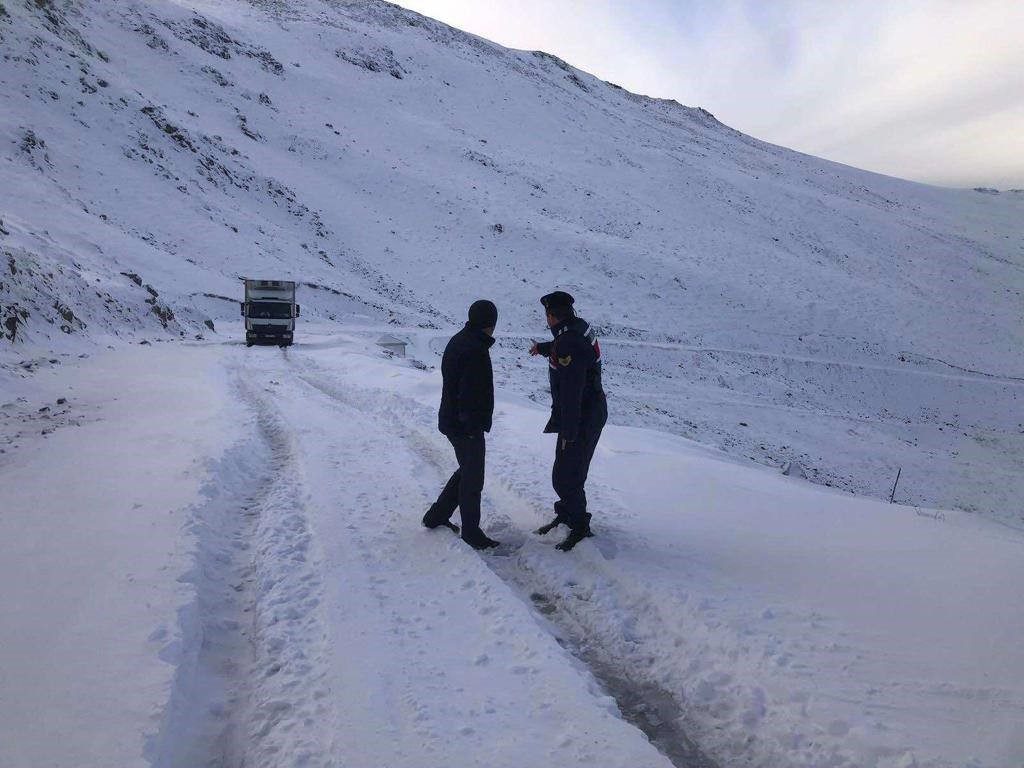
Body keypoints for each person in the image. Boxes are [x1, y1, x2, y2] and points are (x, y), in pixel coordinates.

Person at [529, 291, 608, 551]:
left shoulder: (568, 343)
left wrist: (570, 431)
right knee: (568, 469)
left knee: (566, 475)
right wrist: (544, 349)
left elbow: (572, 390)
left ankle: (579, 525)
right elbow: (572, 349)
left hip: (581, 416)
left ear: (551, 316)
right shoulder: (577, 328)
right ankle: (566, 514)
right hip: (588, 411)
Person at [422, 299, 501, 550]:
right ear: (490, 324)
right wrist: (470, 426)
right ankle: (471, 533)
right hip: (464, 424)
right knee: (472, 477)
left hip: (455, 420)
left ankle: (436, 516)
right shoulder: (474, 349)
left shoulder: (464, 340)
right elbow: (469, 392)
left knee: (468, 469)